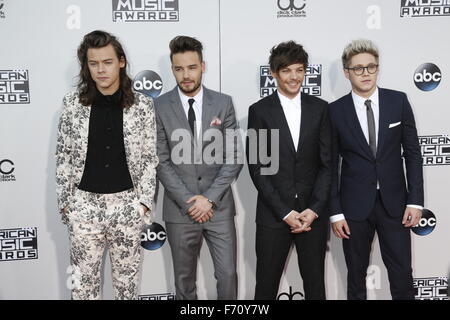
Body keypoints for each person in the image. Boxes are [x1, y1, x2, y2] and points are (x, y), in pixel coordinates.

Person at [55, 30, 158, 300]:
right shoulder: (72, 104)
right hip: (84, 207)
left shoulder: (143, 105)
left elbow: (149, 158)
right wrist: (68, 203)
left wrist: (143, 203)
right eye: (93, 63)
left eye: (107, 62)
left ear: (121, 62)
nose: (100, 69)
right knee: (83, 290)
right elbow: (63, 156)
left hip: (127, 206)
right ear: (86, 66)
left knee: (127, 290)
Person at [329, 39, 424, 300]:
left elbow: (413, 154)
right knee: (356, 278)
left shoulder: (398, 101)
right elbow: (330, 165)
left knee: (403, 275)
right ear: (347, 72)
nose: (366, 73)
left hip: (396, 205)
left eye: (371, 67)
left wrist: (415, 201)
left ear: (378, 69)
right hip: (353, 207)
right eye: (358, 68)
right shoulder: (335, 112)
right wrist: (335, 212)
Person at [154, 36, 243, 300]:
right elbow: (161, 160)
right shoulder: (158, 106)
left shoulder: (223, 103)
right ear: (172, 69)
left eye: (191, 67)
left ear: (203, 66)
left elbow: (234, 156)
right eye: (179, 69)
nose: (186, 75)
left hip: (219, 207)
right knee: (184, 281)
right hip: (180, 210)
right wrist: (189, 201)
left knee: (227, 276)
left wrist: (209, 200)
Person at [247, 41, 331, 300]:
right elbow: (258, 167)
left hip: (311, 217)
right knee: (265, 289)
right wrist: (284, 211)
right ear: (273, 73)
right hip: (274, 216)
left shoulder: (321, 109)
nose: (294, 77)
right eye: (286, 71)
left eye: (299, 70)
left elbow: (327, 164)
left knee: (316, 287)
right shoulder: (259, 111)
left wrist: (314, 209)